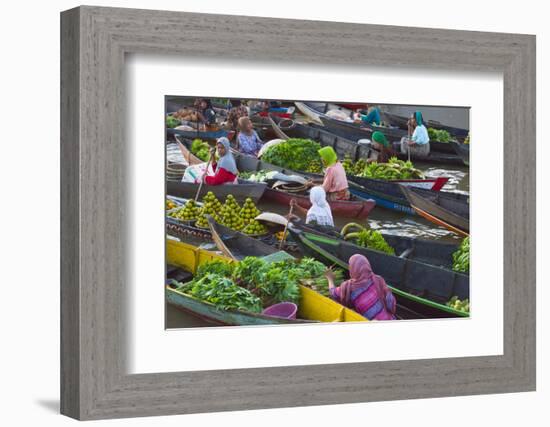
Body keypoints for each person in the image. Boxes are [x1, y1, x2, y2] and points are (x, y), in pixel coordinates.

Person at [325, 254, 397, 320]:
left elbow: (333, 293)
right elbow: (390, 303)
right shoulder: (377, 279)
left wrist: (330, 279)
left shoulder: (349, 287)